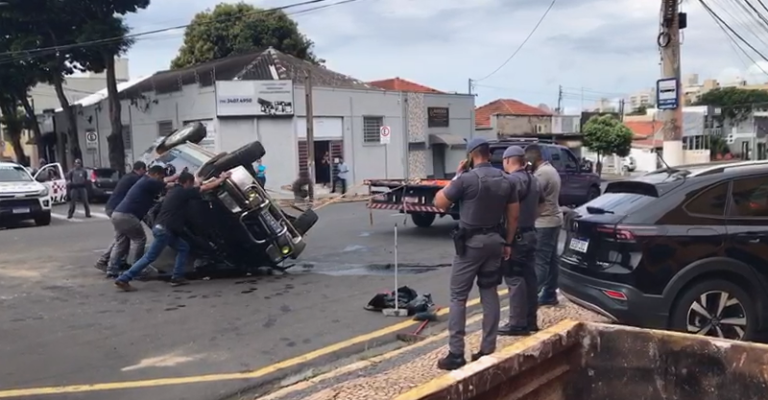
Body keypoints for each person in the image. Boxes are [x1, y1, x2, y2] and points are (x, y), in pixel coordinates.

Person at [433, 137, 518, 370]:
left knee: (458, 296)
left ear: (471, 156)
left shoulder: (466, 179)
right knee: (489, 291)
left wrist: (457, 176)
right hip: (496, 241)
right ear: (489, 154)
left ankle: (456, 353)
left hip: (470, 244)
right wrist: (508, 244)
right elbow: (513, 216)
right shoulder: (506, 180)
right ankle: (487, 348)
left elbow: (439, 202)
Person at [114, 171, 230, 291]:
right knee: (149, 257)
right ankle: (124, 278)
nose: (193, 186)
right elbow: (204, 188)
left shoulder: (175, 190)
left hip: (164, 228)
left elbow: (200, 184)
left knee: (183, 247)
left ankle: (177, 277)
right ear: (187, 183)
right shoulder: (183, 192)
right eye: (192, 183)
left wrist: (211, 179)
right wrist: (222, 179)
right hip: (165, 230)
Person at [499, 146, 544, 336]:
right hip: (531, 233)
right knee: (530, 278)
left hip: (516, 237)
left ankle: (517, 323)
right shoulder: (534, 180)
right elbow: (542, 204)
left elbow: (511, 215)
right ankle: (530, 320)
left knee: (514, 277)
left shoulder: (511, 181)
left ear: (508, 160)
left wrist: (507, 242)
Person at [106, 166, 177, 279]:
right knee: (139, 239)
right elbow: (167, 184)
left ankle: (111, 269)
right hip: (127, 215)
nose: (161, 179)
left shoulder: (144, 181)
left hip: (117, 214)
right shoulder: (150, 181)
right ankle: (137, 267)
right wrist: (180, 181)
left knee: (120, 243)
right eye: (161, 176)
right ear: (156, 174)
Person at [525, 144, 563, 307]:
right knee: (551, 260)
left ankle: (531, 297)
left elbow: (530, 195)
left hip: (544, 222)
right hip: (554, 220)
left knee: (540, 261)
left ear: (533, 158)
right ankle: (549, 293)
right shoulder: (550, 170)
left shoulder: (541, 174)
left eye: (527, 160)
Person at [94, 161, 147, 273]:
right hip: (117, 209)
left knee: (123, 236)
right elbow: (146, 185)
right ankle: (107, 263)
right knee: (121, 238)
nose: (145, 173)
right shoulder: (134, 179)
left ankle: (116, 262)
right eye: (145, 170)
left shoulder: (128, 177)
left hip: (113, 207)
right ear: (141, 169)